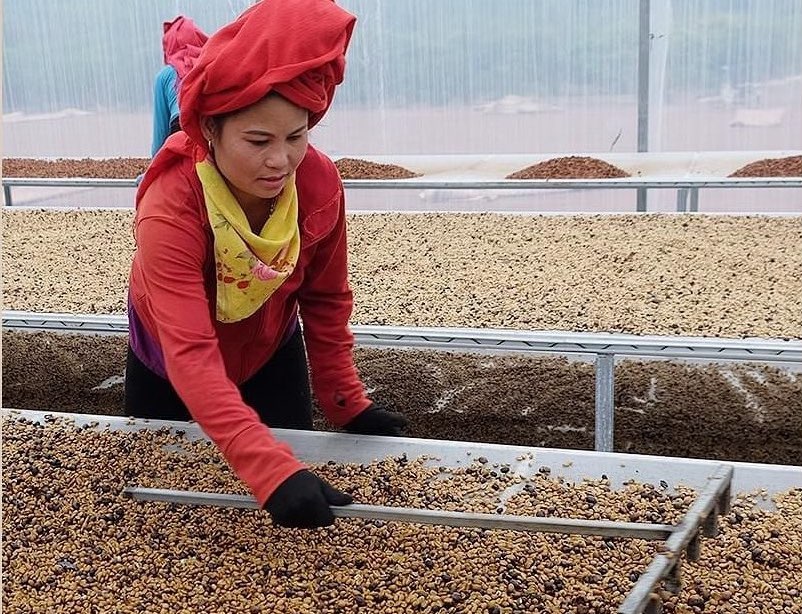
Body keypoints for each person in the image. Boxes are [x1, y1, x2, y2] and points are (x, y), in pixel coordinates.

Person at [125, 0, 407, 529]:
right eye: (258, 141)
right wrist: (268, 470)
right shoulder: (171, 205)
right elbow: (189, 350)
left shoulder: (318, 182)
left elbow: (324, 300)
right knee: (163, 513)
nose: (280, 161)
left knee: (288, 516)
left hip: (268, 347)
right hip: (168, 361)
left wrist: (346, 401)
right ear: (210, 130)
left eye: (296, 137)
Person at [150, 16, 208, 157]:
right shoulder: (208, 68)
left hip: (181, 138)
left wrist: (153, 172)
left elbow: (160, 136)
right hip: (210, 139)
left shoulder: (165, 76)